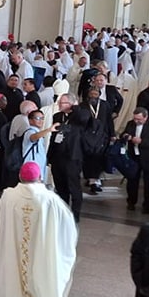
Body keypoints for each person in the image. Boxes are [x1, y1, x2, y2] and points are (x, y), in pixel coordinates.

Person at [0, 162, 78, 297]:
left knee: (15, 281)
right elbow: (68, 226)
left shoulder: (8, 196)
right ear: (40, 178)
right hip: (41, 251)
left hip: (15, 251)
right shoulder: (50, 199)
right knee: (40, 278)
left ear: (20, 177)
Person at [48, 93, 84, 221]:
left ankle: (75, 215)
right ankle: (63, 211)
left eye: (62, 103)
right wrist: (49, 156)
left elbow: (83, 117)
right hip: (58, 155)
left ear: (70, 104)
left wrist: (74, 107)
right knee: (60, 186)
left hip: (72, 157)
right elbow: (53, 136)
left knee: (73, 186)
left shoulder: (78, 116)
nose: (58, 105)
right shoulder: (57, 116)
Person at [119, 108, 149, 213]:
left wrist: (142, 141)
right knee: (132, 180)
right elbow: (123, 134)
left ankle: (148, 205)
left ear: (145, 117)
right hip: (134, 156)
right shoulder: (130, 124)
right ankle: (131, 202)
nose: (136, 121)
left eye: (139, 119)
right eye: (135, 119)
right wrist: (126, 136)